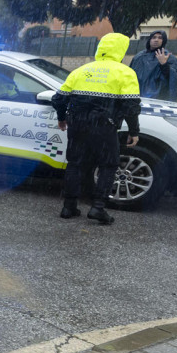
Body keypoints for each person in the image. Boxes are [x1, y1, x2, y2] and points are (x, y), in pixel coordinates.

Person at [52, 33, 142, 225]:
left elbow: (58, 98)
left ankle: (69, 207)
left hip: (77, 124)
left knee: (75, 163)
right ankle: (98, 208)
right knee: (108, 165)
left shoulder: (82, 70)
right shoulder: (125, 72)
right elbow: (131, 106)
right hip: (104, 125)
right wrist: (134, 131)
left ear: (100, 48)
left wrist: (62, 118)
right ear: (121, 50)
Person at [129, 30, 177, 102]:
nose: (156, 40)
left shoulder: (168, 57)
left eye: (160, 38)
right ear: (150, 40)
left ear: (163, 41)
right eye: (154, 37)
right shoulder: (139, 57)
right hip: (137, 95)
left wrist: (164, 65)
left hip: (158, 98)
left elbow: (175, 77)